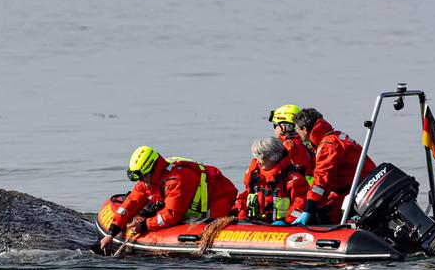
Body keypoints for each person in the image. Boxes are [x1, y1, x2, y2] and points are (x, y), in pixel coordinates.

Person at [99, 146, 238, 250]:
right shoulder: (147, 180)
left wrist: (144, 225)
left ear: (152, 169)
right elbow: (131, 203)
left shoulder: (175, 180)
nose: (142, 180)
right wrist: (112, 233)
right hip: (186, 200)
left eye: (143, 176)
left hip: (218, 196)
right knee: (146, 209)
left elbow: (172, 214)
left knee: (213, 226)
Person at [293, 108, 376, 225]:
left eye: (297, 129)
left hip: (356, 190)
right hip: (359, 186)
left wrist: (308, 210)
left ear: (305, 130)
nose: (296, 133)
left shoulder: (328, 145)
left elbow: (322, 179)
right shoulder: (335, 136)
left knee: (320, 215)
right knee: (323, 208)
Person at [233, 137, 309, 225]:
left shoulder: (293, 179)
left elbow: (300, 203)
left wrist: (288, 222)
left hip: (282, 225)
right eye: (257, 157)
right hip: (254, 223)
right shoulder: (254, 174)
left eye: (261, 158)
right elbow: (247, 194)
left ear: (273, 158)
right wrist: (241, 214)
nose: (258, 161)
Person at [268, 104, 315, 181]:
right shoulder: (309, 142)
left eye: (275, 125)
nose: (274, 129)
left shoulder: (287, 146)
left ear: (283, 128)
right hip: (313, 183)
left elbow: (274, 171)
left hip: (299, 186)